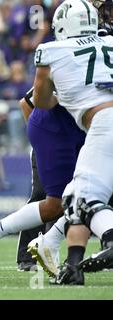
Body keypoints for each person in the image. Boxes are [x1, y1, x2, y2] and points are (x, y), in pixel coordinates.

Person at [33, 0, 113, 284]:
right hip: (103, 125)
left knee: (83, 199)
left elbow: (41, 102)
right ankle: (73, 268)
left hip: (105, 123)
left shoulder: (51, 51)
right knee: (78, 198)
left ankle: (110, 237)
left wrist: (62, 92)